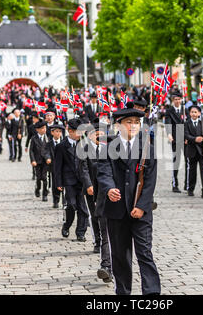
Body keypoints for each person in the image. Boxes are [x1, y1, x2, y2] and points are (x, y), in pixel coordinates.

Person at [97, 107, 160, 295]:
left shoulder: (147, 147)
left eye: (136, 122)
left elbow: (150, 181)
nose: (133, 126)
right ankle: (123, 292)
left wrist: (141, 206)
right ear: (118, 125)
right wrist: (109, 189)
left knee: (144, 253)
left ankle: (152, 293)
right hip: (116, 211)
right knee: (121, 257)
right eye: (129, 122)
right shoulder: (108, 148)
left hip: (140, 211)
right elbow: (103, 171)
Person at [79, 119, 112, 283]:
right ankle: (97, 240)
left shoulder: (111, 150)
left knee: (105, 223)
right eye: (96, 135)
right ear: (90, 136)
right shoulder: (84, 149)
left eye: (102, 135)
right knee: (95, 217)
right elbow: (83, 169)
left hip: (108, 193)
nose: (99, 137)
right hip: (92, 189)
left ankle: (107, 261)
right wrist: (89, 185)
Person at [54, 118, 89, 242]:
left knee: (83, 208)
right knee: (71, 205)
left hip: (82, 180)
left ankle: (81, 232)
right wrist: (58, 183)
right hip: (68, 180)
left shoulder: (84, 144)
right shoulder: (61, 146)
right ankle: (67, 225)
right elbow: (57, 167)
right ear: (70, 131)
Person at [184, 105, 203, 198]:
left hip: (202, 151)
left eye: (195, 112)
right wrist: (195, 139)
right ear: (189, 113)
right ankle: (190, 189)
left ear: (199, 113)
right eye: (192, 112)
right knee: (192, 171)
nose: (194, 114)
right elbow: (186, 135)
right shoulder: (186, 123)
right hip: (191, 150)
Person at [164, 92, 186, 193]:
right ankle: (175, 184)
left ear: (181, 100)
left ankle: (188, 184)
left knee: (189, 161)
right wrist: (169, 134)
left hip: (186, 138)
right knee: (176, 161)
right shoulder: (169, 110)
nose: (177, 101)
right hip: (175, 138)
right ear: (173, 100)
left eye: (179, 99)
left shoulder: (185, 110)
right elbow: (167, 122)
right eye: (175, 99)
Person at [29, 120, 51, 202]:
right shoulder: (34, 139)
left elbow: (49, 149)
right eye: (41, 128)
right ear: (37, 130)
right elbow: (31, 151)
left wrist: (49, 158)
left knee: (45, 178)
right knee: (39, 178)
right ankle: (37, 188)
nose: (44, 130)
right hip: (37, 161)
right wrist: (33, 160)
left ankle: (44, 194)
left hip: (45, 161)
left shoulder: (48, 138)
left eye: (45, 128)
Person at [48, 124, 64, 208]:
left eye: (60, 132)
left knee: (65, 184)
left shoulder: (64, 142)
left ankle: (65, 200)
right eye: (56, 131)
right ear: (52, 132)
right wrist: (48, 158)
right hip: (54, 168)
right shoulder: (49, 143)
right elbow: (46, 151)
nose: (58, 133)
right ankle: (56, 200)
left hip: (64, 168)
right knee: (55, 184)